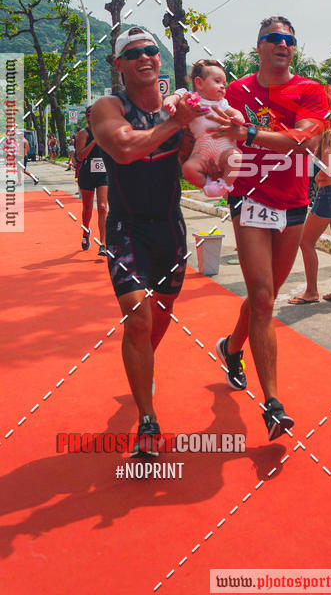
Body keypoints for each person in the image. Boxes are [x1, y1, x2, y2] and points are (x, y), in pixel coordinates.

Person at [209, 16, 329, 439]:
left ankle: (231, 347)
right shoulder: (236, 91)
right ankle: (274, 405)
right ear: (258, 46)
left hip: (292, 202)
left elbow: (302, 141)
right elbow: (217, 135)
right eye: (274, 38)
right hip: (249, 198)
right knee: (262, 299)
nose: (283, 45)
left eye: (289, 40)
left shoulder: (311, 91)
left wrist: (249, 132)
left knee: (267, 295)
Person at [91, 27, 205, 457]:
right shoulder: (108, 107)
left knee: (161, 313)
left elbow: (195, 158)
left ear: (159, 58)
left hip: (170, 228)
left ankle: (141, 364)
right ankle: (147, 419)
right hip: (126, 228)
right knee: (137, 317)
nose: (145, 56)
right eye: (133, 52)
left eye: (151, 50)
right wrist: (177, 124)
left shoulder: (178, 106)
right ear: (118, 64)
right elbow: (123, 148)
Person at [291, 110, 331, 305]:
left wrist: (320, 178)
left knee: (306, 242)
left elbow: (327, 168)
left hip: (330, 192)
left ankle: (311, 291)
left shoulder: (328, 135)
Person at [163, 59, 244, 197]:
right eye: (217, 81)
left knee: (235, 158)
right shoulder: (189, 97)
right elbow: (173, 98)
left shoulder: (222, 103)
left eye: (224, 83)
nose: (222, 86)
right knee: (188, 168)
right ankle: (207, 185)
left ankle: (225, 185)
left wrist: (238, 118)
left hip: (224, 150)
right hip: (201, 151)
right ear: (199, 83)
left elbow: (235, 112)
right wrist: (169, 104)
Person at [76, 106, 109, 256]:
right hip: (87, 174)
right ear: (88, 118)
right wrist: (94, 141)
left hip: (103, 174)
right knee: (88, 209)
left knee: (102, 207)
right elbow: (80, 156)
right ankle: (85, 232)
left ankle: (103, 244)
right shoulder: (84, 133)